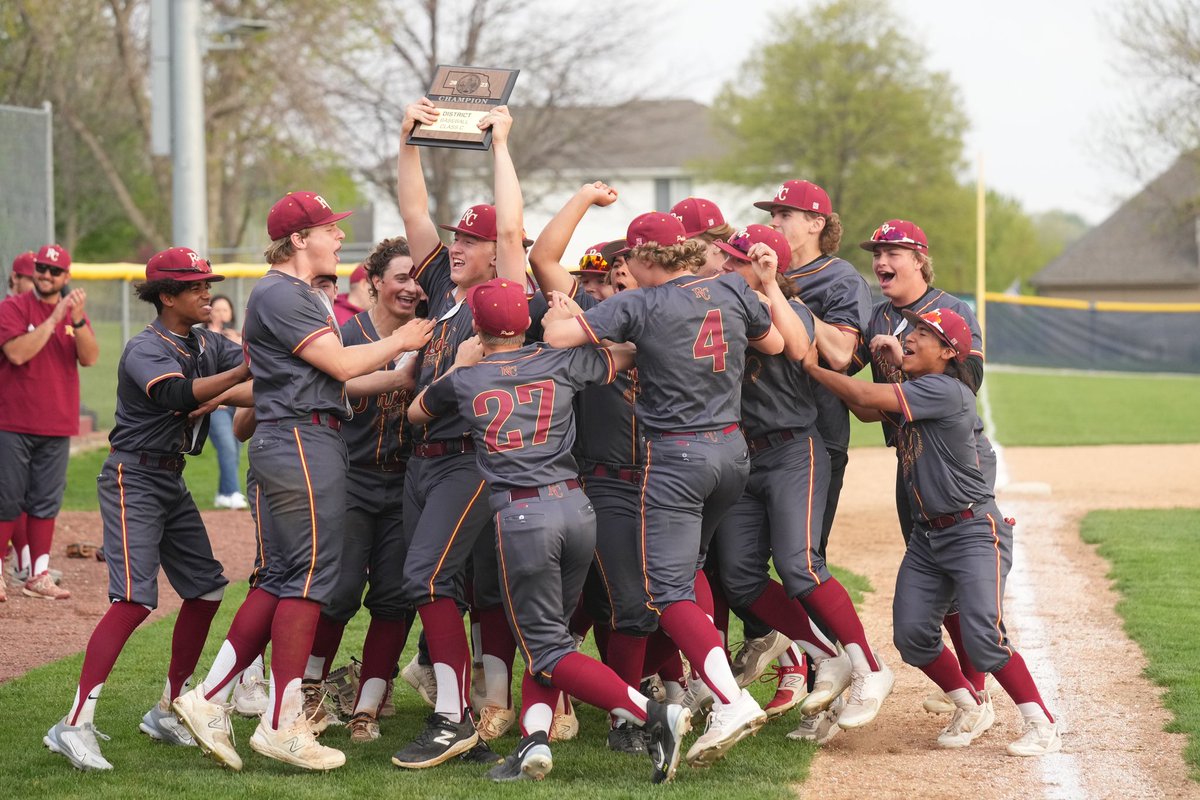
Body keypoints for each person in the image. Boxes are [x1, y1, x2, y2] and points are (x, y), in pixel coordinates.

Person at [172, 191, 433, 772]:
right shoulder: (281, 292)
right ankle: (282, 723)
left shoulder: (299, 295)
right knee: (311, 580)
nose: (339, 238)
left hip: (306, 433)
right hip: (297, 440)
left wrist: (402, 372)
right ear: (298, 240)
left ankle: (209, 698)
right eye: (329, 230)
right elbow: (341, 367)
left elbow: (340, 385)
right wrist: (403, 340)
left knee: (285, 578)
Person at [410, 276, 691, 783]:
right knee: (554, 639)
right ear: (527, 320)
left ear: (477, 324)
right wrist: (569, 323)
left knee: (547, 648)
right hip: (576, 506)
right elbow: (627, 354)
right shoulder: (557, 358)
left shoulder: (466, 379)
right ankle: (534, 739)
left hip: (523, 517)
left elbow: (415, 411)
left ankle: (651, 716)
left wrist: (461, 364)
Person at [544, 211, 785, 768]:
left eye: (628, 259)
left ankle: (727, 698)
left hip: (678, 457)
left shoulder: (639, 304)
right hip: (732, 450)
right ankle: (713, 688)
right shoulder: (728, 285)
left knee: (665, 591)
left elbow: (558, 335)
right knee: (689, 574)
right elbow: (772, 343)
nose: (625, 268)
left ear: (646, 257)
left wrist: (572, 311)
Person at [803, 307, 1062, 756]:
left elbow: (865, 393)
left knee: (985, 638)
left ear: (947, 352)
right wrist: (886, 356)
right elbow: (867, 409)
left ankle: (1040, 722)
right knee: (912, 636)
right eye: (912, 330)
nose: (910, 337)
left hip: (973, 531)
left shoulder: (945, 390)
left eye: (924, 334)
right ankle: (969, 703)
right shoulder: (919, 388)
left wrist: (812, 366)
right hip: (928, 538)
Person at [43, 247, 251, 771]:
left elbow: (253, 372)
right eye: (196, 285)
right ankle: (73, 724)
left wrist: (244, 376)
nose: (208, 291)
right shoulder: (144, 347)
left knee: (206, 589)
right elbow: (178, 395)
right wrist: (235, 380)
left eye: (208, 283)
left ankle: (168, 709)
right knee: (134, 600)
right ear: (166, 296)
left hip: (170, 476)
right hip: (131, 474)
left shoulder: (204, 340)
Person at [707, 225, 895, 737]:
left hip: (793, 449)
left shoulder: (790, 307)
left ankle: (870, 666)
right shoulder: (721, 304)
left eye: (733, 260)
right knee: (740, 576)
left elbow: (795, 347)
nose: (724, 266)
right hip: (746, 458)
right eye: (724, 258)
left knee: (800, 565)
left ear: (767, 266)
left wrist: (769, 286)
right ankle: (823, 653)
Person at [388, 99, 528, 769]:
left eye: (471, 239)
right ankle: (459, 711)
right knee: (435, 583)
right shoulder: (444, 284)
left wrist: (500, 142)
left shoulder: (502, 291)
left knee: (428, 576)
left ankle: (451, 716)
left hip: (472, 458)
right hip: (426, 456)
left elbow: (512, 234)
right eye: (461, 238)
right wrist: (407, 138)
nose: (460, 245)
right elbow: (414, 213)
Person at [856, 219, 998, 716]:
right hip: (910, 458)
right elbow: (850, 374)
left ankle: (975, 688)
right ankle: (967, 689)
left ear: (919, 258)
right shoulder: (875, 316)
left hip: (957, 458)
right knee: (931, 560)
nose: (881, 260)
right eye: (877, 252)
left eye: (893, 251)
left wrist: (896, 369)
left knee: (958, 562)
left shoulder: (953, 310)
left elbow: (969, 377)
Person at [300, 236, 425, 745]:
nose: (412, 288)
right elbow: (334, 388)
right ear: (373, 281)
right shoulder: (343, 334)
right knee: (338, 593)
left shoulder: (429, 335)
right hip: (349, 479)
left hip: (405, 483)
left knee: (395, 599)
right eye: (400, 277)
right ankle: (308, 689)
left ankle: (367, 706)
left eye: (418, 279)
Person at [0, 244, 98, 601]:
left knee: (45, 502)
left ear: (66, 277)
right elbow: (17, 353)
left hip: (57, 422)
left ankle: (38, 574)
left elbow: (90, 357)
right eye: (41, 268)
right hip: (13, 419)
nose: (46, 274)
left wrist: (75, 318)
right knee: (7, 500)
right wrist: (54, 318)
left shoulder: (74, 315)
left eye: (55, 271)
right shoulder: (12, 307)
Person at [204, 294, 248, 510]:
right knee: (227, 447)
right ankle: (232, 492)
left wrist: (238, 342)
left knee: (235, 450)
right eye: (217, 309)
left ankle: (223, 493)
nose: (221, 314)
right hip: (216, 405)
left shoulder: (237, 337)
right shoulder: (201, 337)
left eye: (225, 310)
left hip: (237, 402)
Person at [670, 197, 734, 277]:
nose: (679, 253)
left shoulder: (742, 284)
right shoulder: (672, 286)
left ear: (717, 245)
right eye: (673, 247)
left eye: (688, 246)